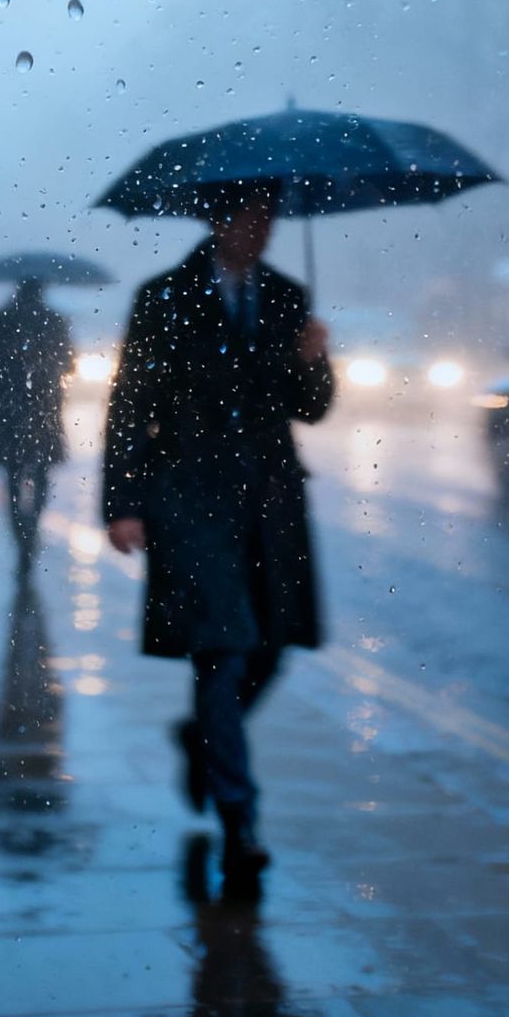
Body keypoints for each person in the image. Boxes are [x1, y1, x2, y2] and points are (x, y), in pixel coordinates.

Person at [102, 184, 334, 879]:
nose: (261, 231)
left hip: (268, 501)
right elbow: (130, 402)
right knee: (222, 651)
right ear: (218, 219)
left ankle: (200, 735)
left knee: (270, 650)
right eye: (249, 218)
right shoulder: (163, 296)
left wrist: (313, 359)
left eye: (270, 219)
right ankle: (241, 815)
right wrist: (124, 500)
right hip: (190, 497)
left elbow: (311, 409)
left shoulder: (290, 298)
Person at [0, 278, 73, 574]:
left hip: (9, 412)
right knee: (41, 475)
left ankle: (22, 537)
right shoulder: (54, 320)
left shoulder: (2, 319)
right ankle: (32, 528)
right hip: (44, 410)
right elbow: (68, 363)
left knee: (13, 476)